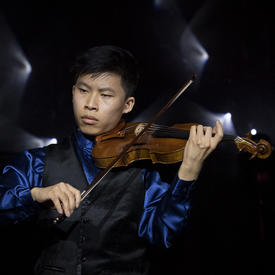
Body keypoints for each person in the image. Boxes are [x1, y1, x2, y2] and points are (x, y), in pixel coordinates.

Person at [0, 45, 223, 275]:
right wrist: (36, 194)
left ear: (128, 104)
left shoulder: (144, 171)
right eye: (83, 90)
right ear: (73, 91)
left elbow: (163, 235)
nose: (91, 104)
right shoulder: (38, 160)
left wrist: (188, 170)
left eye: (105, 95)